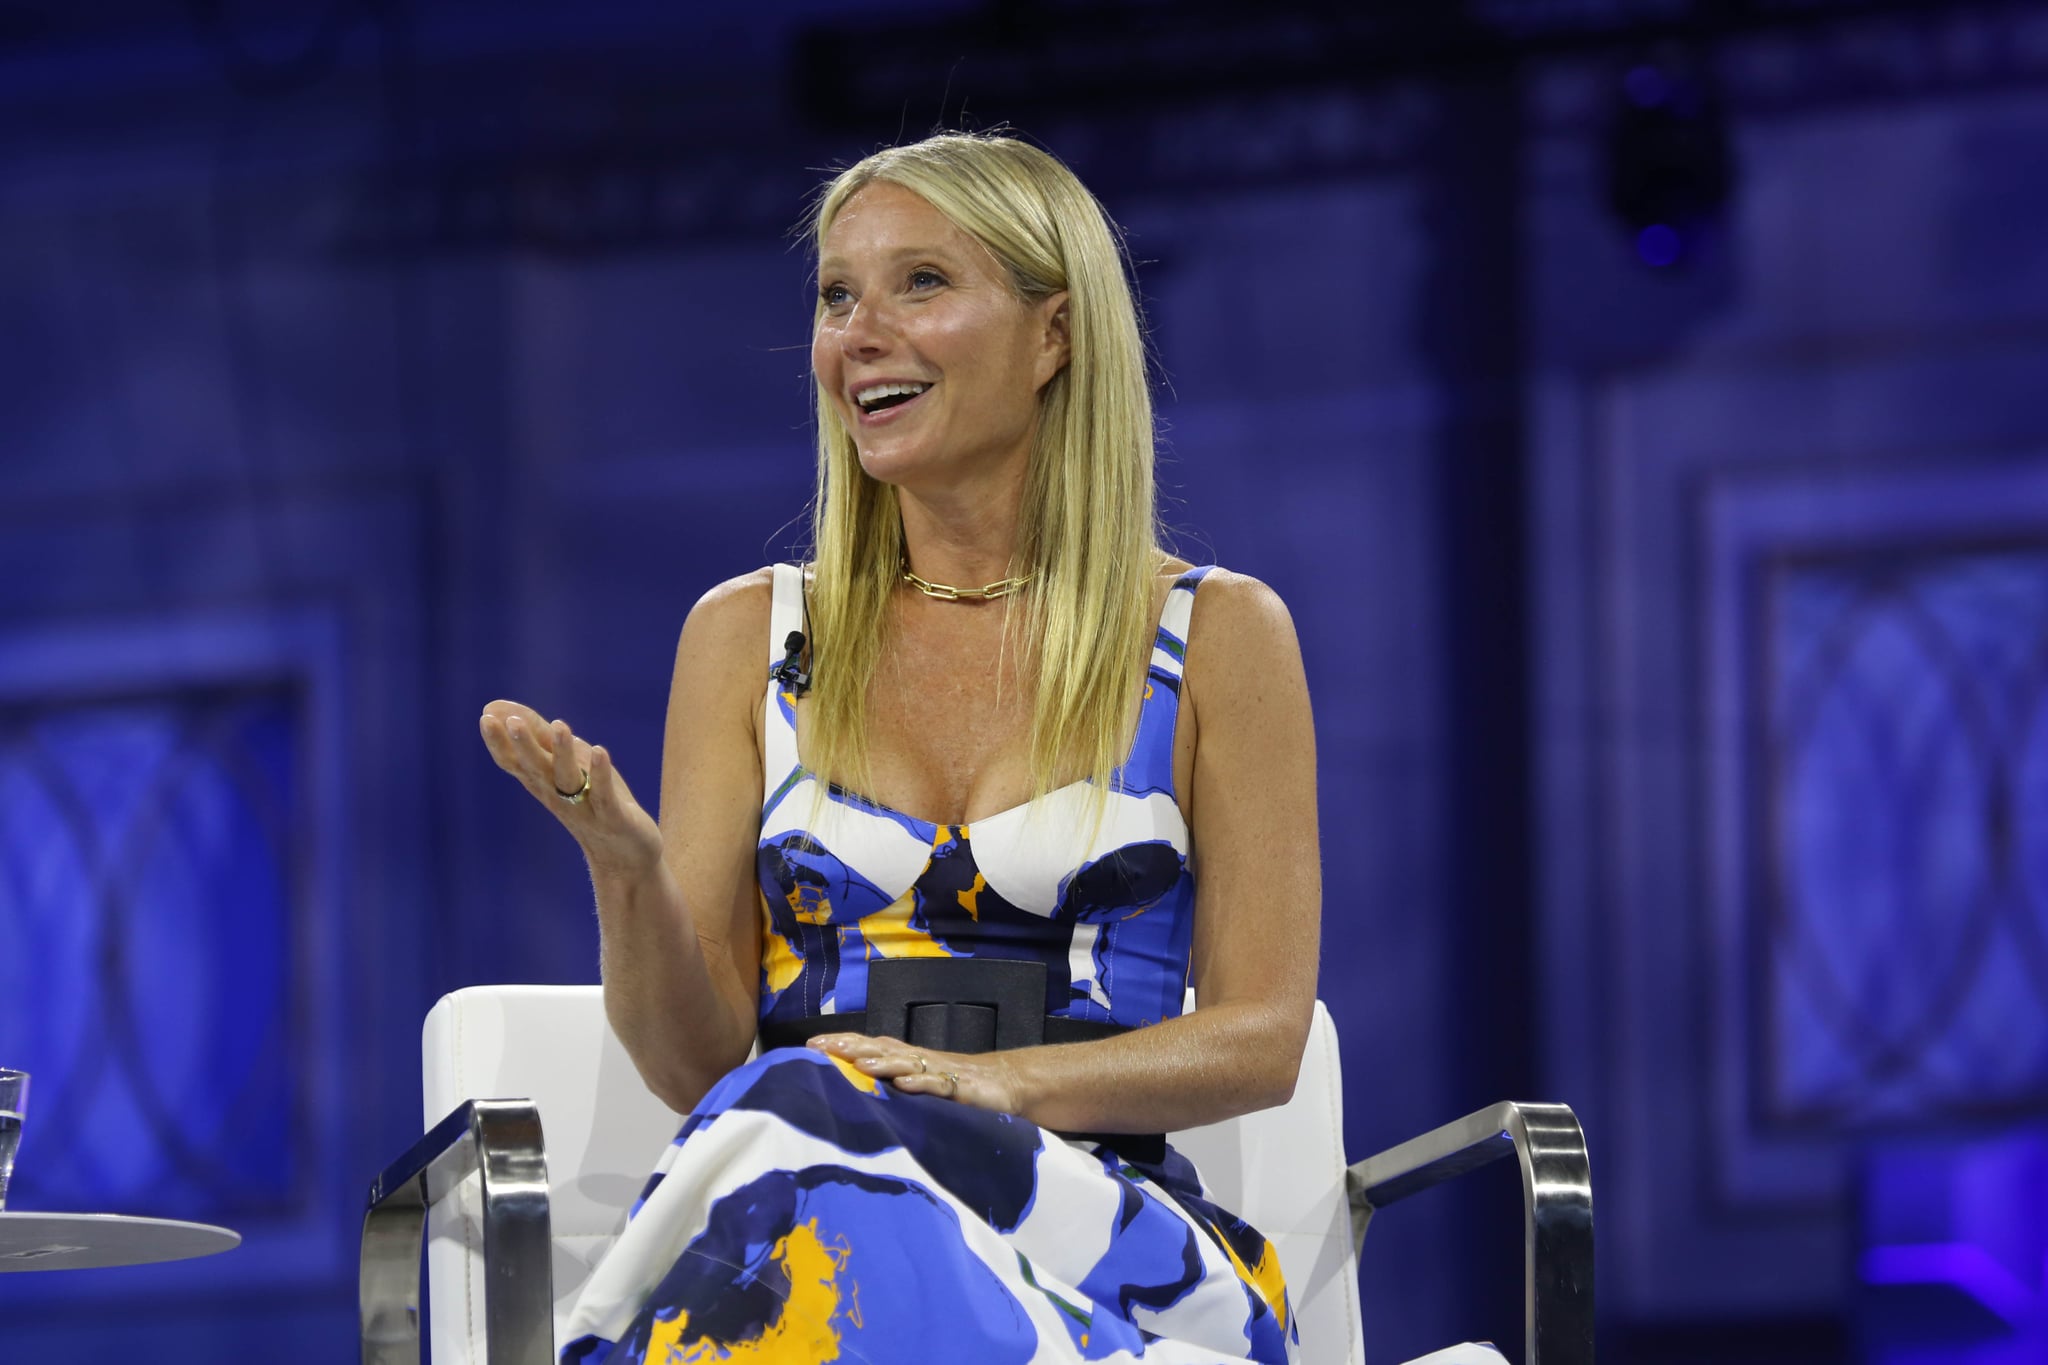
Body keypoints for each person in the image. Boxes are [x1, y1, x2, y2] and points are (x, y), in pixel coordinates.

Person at [479, 131, 1321, 1365]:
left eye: (919, 283)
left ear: (1054, 335)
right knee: (799, 1134)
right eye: (835, 295)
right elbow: (693, 1063)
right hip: (805, 1217)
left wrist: (999, 1087)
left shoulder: (1217, 637)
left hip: (1099, 1239)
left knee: (802, 1132)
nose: (856, 333)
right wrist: (624, 865)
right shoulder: (744, 637)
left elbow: (1261, 1036)